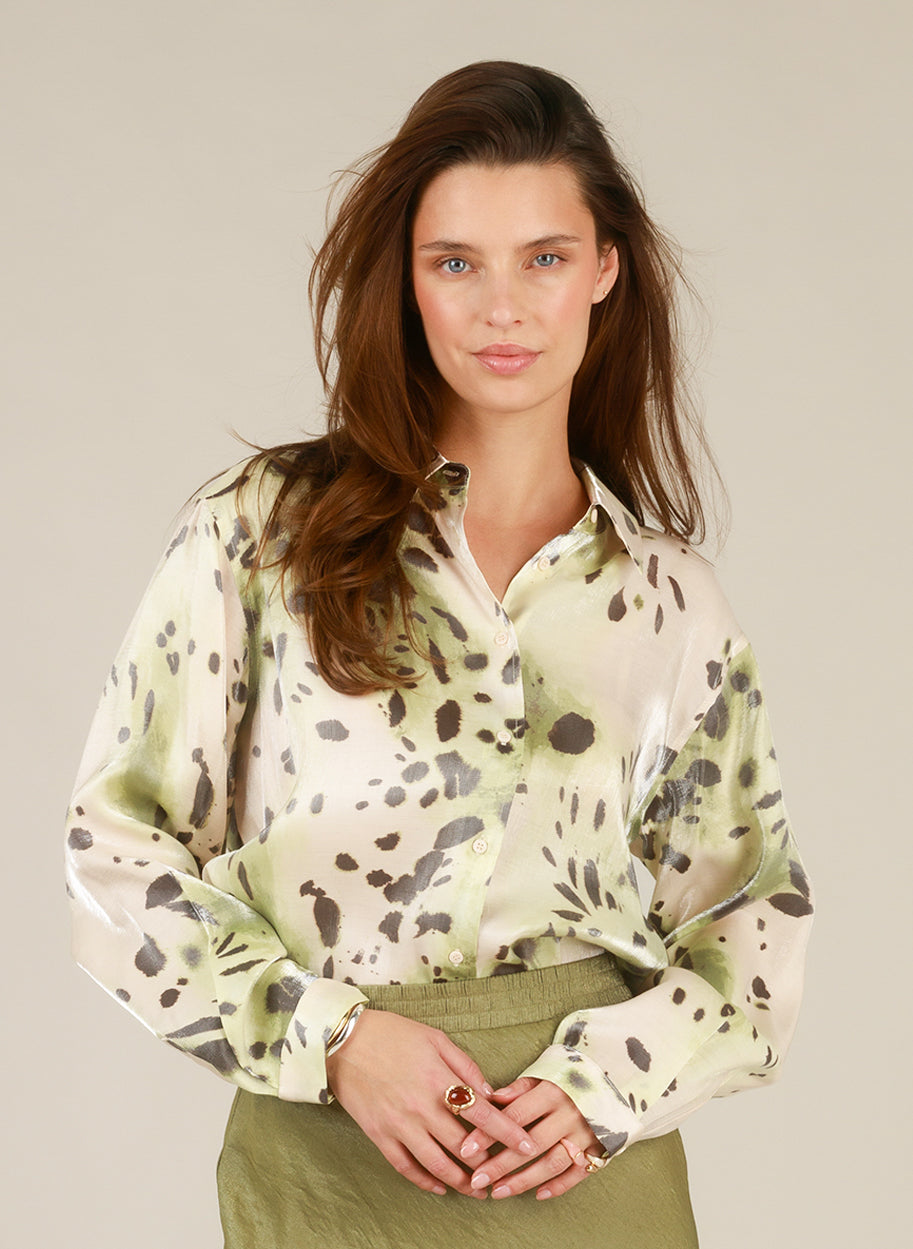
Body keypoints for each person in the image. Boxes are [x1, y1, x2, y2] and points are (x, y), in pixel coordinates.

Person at [65, 61, 813, 1248]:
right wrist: (334, 1038)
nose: (502, 308)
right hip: (328, 1170)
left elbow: (748, 921)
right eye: (455, 263)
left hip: (588, 1189)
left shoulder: (667, 599)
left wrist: (607, 1081)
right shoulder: (261, 536)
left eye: (544, 258)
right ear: (406, 281)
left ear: (605, 268)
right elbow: (116, 852)